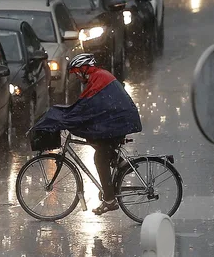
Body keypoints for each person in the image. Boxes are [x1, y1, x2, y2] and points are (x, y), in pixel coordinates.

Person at [32, 53, 142, 215]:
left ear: (84, 69)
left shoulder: (98, 78)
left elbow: (85, 106)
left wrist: (67, 118)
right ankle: (119, 161)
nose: (76, 76)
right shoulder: (98, 76)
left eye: (77, 72)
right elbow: (86, 104)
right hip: (119, 119)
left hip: (119, 121)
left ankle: (110, 200)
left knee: (99, 158)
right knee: (93, 137)